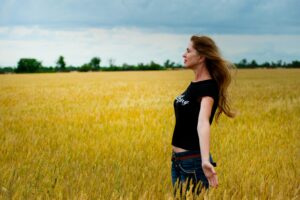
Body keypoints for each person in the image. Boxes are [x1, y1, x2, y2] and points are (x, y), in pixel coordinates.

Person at [171, 35, 235, 197]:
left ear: (201, 57)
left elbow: (203, 122)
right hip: (179, 161)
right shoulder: (195, 85)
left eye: (188, 51)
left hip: (193, 161)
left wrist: (205, 160)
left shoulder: (208, 87)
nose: (183, 54)